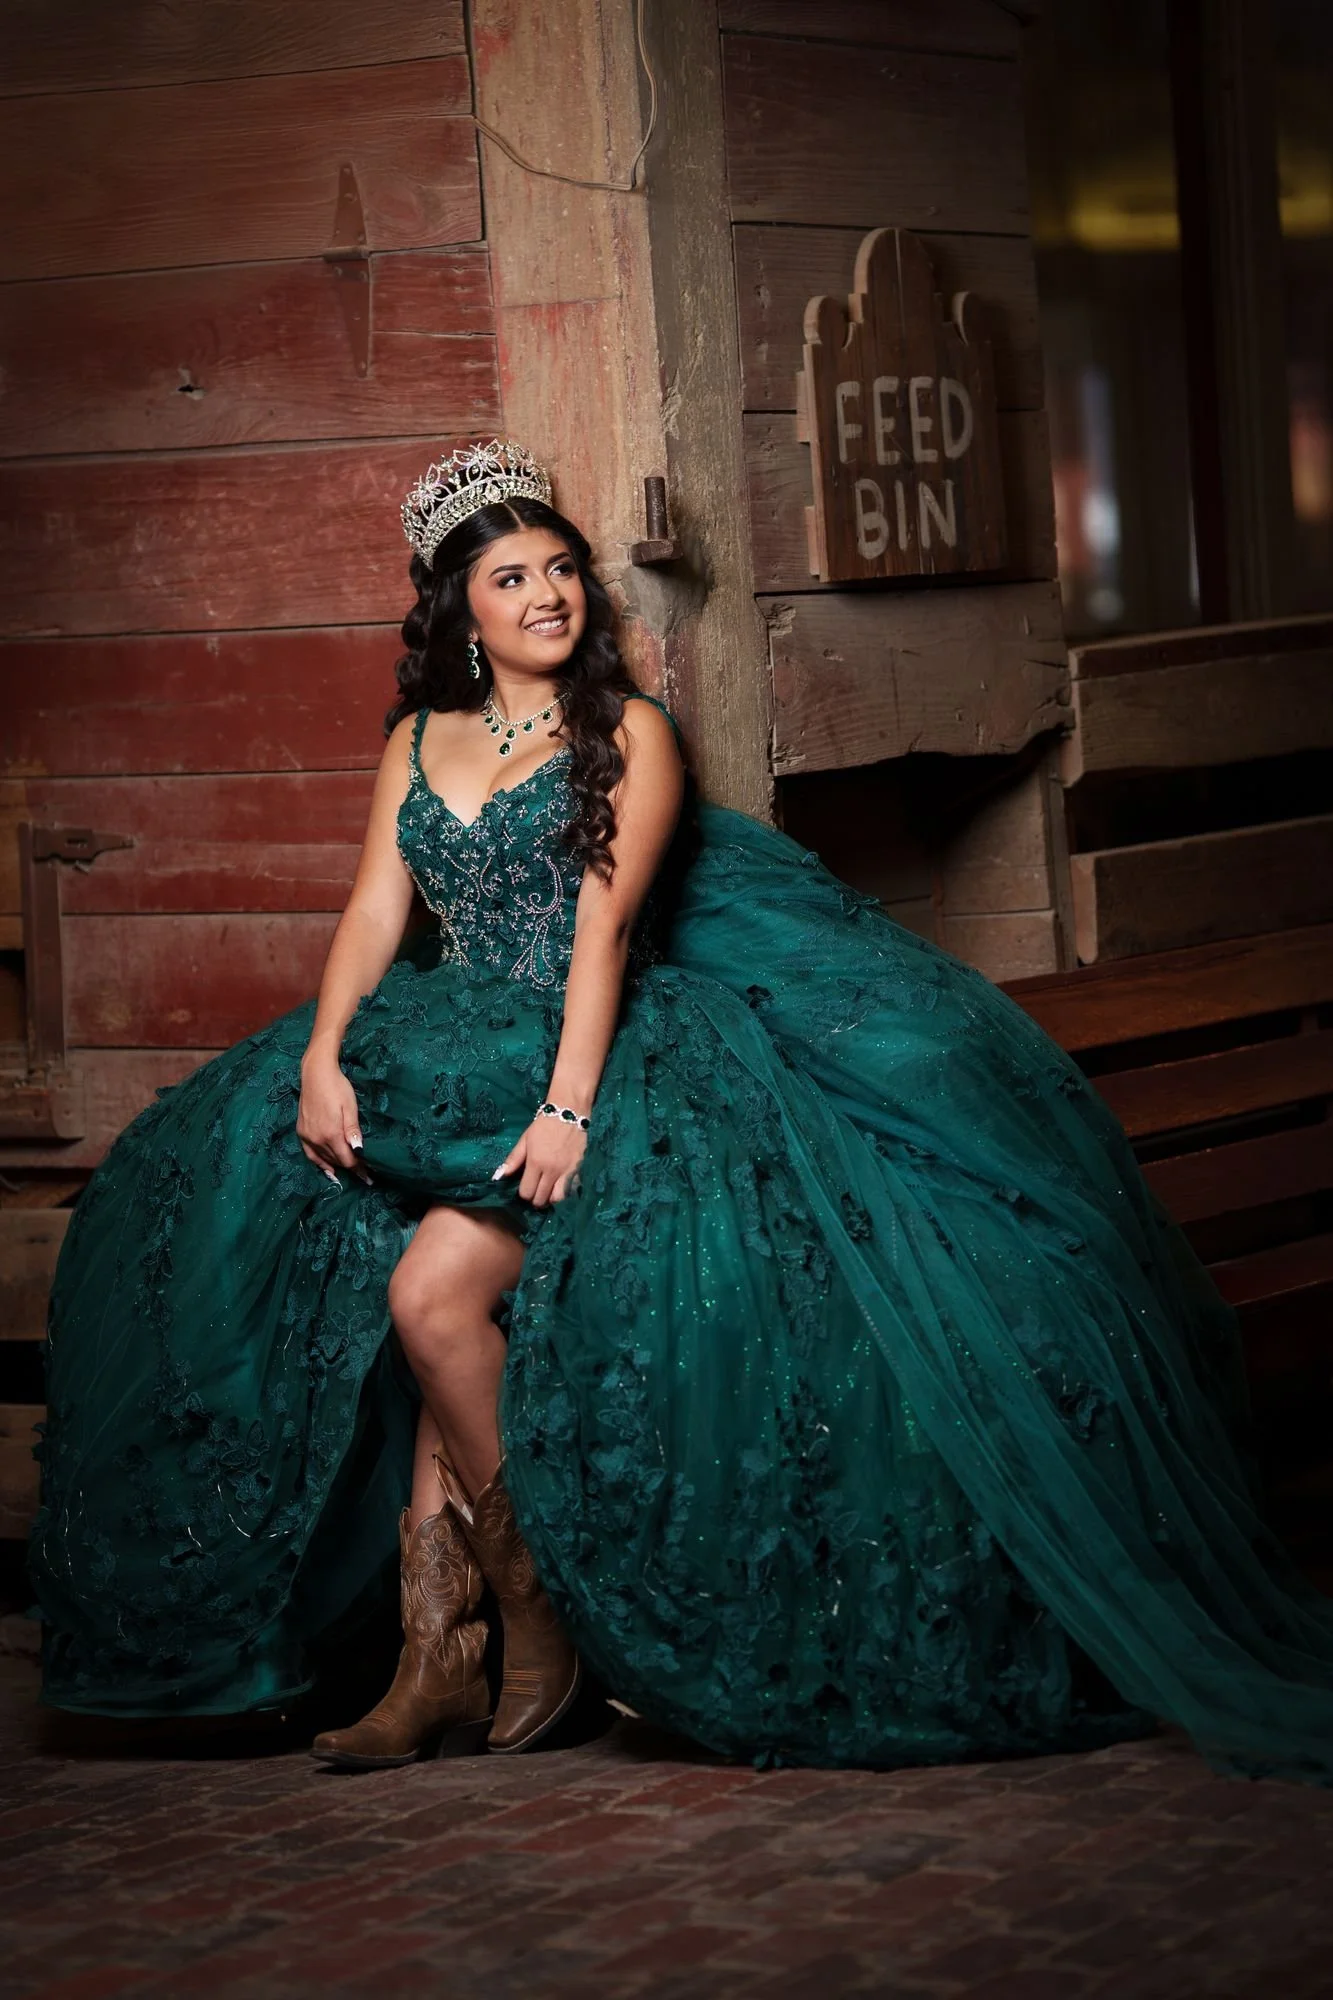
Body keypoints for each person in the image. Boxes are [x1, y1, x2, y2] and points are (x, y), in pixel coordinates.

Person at [30, 439, 1333, 1784]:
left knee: (428, 1299)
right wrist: (325, 1053)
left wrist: (570, 1114)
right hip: (440, 1050)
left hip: (606, 1058)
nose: (548, 596)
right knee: (316, 1252)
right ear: (456, 612)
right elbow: (376, 909)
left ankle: (529, 1609)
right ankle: (443, 1649)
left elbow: (600, 939)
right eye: (511, 577)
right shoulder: (418, 742)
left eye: (561, 569)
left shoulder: (627, 735)